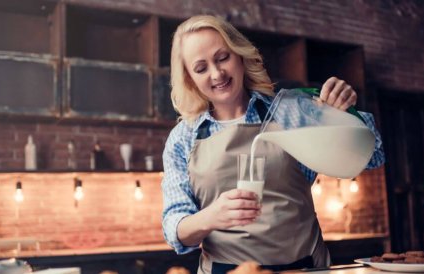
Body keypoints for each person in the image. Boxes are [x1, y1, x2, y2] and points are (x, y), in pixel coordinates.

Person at [161, 15, 385, 274]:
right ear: (190, 78)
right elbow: (176, 231)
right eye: (201, 68)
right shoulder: (183, 138)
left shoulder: (289, 112)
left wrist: (345, 113)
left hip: (305, 268)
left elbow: (374, 155)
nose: (217, 73)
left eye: (223, 58)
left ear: (240, 55)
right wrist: (211, 216)